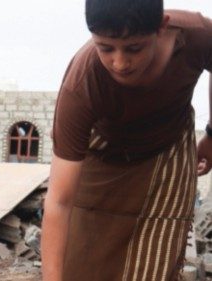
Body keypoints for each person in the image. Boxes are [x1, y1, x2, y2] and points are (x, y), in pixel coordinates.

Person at [41, 1, 212, 280]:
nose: (119, 63)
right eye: (105, 48)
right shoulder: (81, 84)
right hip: (104, 153)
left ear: (161, 27)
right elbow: (59, 201)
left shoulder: (195, 34)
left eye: (134, 48)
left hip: (167, 150)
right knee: (83, 256)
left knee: (155, 263)